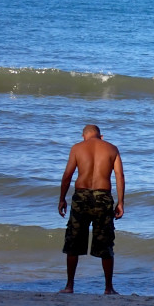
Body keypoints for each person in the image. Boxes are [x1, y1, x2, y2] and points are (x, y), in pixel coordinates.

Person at [58, 124, 125, 295]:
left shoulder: (77, 148)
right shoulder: (111, 148)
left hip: (81, 197)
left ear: (84, 137)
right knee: (105, 242)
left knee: (74, 240)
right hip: (103, 198)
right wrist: (121, 203)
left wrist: (61, 199)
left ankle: (69, 286)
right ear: (101, 136)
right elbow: (119, 176)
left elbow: (67, 176)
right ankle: (109, 288)